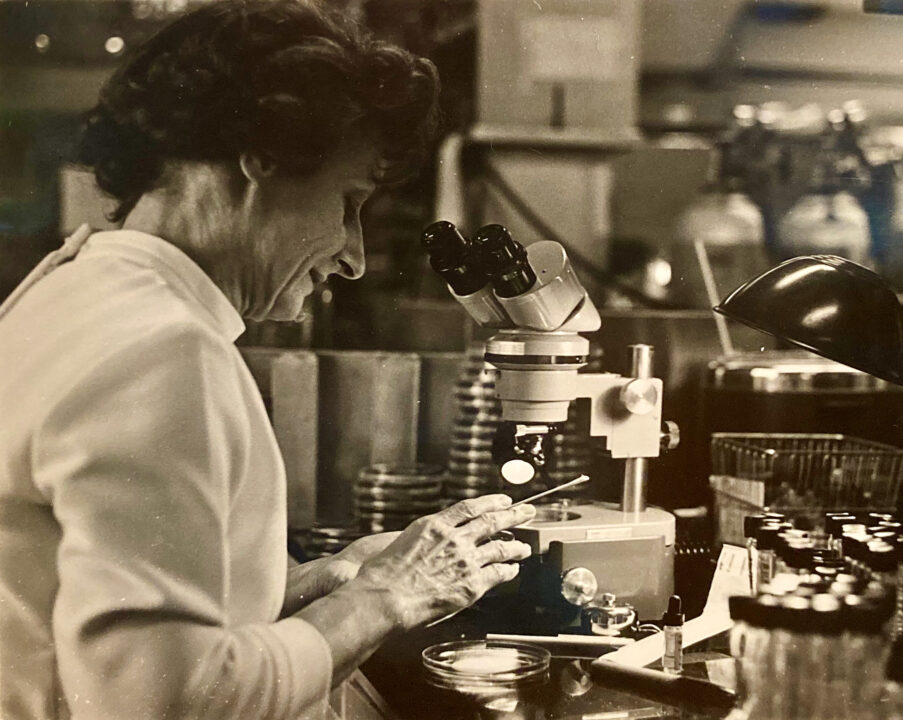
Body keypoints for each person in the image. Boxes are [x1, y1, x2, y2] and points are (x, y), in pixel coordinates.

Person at [0, 2, 535, 718]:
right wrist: (387, 597)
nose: (354, 257)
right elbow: (164, 703)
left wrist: (329, 581)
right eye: (348, 203)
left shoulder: (72, 286)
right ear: (262, 156)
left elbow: (108, 614)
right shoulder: (162, 351)